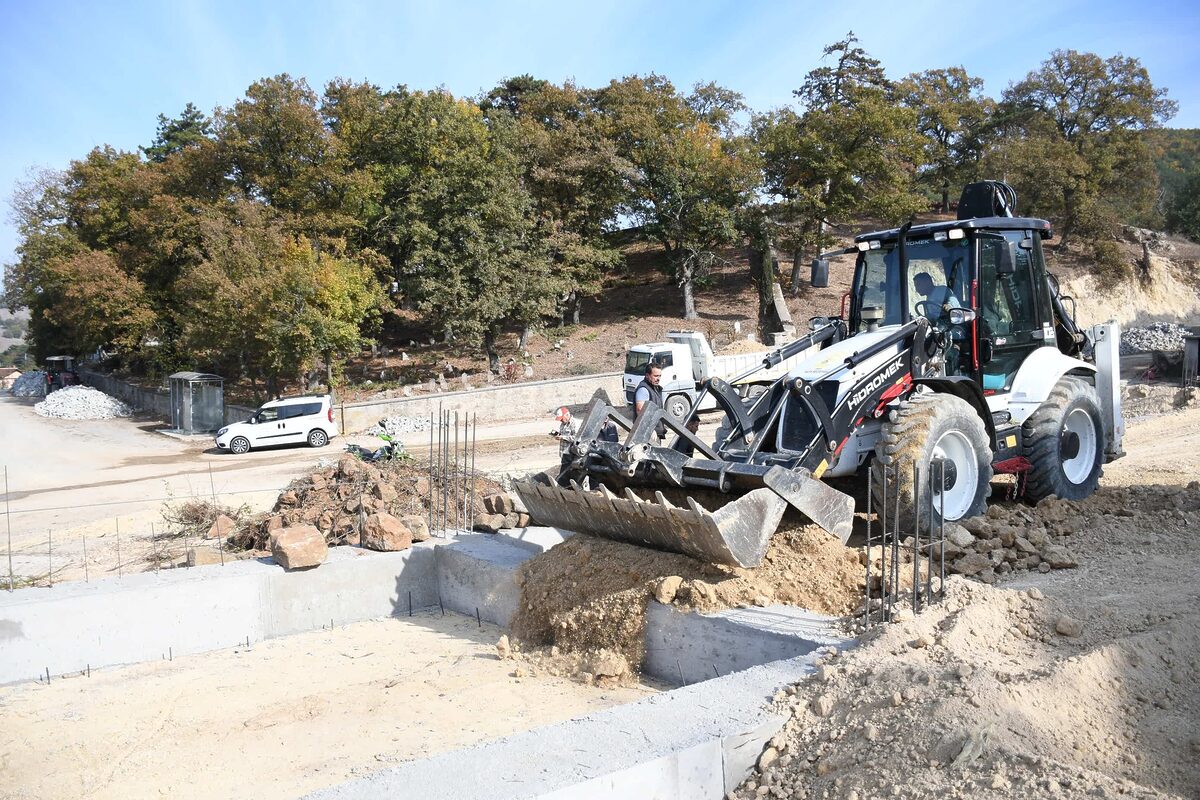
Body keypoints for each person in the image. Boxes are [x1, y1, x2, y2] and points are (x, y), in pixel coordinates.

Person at [633, 363, 667, 441]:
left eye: (659, 376)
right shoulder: (643, 390)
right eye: (655, 376)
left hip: (655, 433)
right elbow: (640, 411)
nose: (658, 378)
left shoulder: (655, 389)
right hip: (648, 435)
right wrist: (649, 430)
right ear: (647, 375)